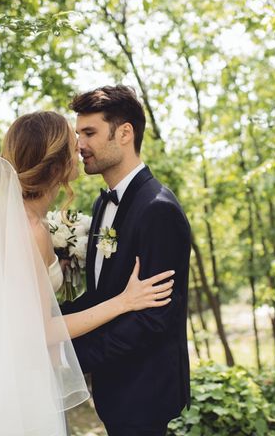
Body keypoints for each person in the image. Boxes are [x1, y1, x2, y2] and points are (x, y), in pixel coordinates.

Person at [0, 111, 175, 436]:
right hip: (20, 380)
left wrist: (44, 271)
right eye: (74, 145)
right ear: (57, 167)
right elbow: (43, 331)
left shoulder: (4, 215)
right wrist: (124, 302)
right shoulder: (35, 230)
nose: (81, 149)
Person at [61, 86, 191, 436]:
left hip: (144, 390)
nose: (79, 145)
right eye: (78, 134)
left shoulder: (158, 209)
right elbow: (104, 295)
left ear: (124, 133)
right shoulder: (103, 205)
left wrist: (74, 356)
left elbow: (153, 318)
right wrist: (47, 322)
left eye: (89, 133)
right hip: (113, 387)